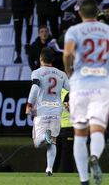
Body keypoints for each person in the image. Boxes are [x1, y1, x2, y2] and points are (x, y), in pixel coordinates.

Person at [63, 0, 109, 185]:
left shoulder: (74, 31)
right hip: (102, 86)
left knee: (80, 135)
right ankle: (95, 156)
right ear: (97, 13)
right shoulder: (107, 30)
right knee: (98, 129)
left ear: (80, 13)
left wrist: (69, 71)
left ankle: (84, 180)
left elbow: (67, 53)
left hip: (80, 85)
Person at [26, 47, 70, 176]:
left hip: (42, 110)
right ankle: (49, 169)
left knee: (37, 142)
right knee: (53, 142)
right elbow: (71, 89)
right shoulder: (62, 74)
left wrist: (29, 104)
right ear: (53, 59)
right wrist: (69, 100)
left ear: (40, 59)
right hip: (57, 111)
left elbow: (34, 88)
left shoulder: (37, 72)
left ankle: (45, 136)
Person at [53, 89, 75, 173]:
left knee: (56, 153)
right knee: (66, 155)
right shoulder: (69, 91)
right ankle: (67, 174)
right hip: (66, 127)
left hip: (60, 127)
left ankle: (50, 174)